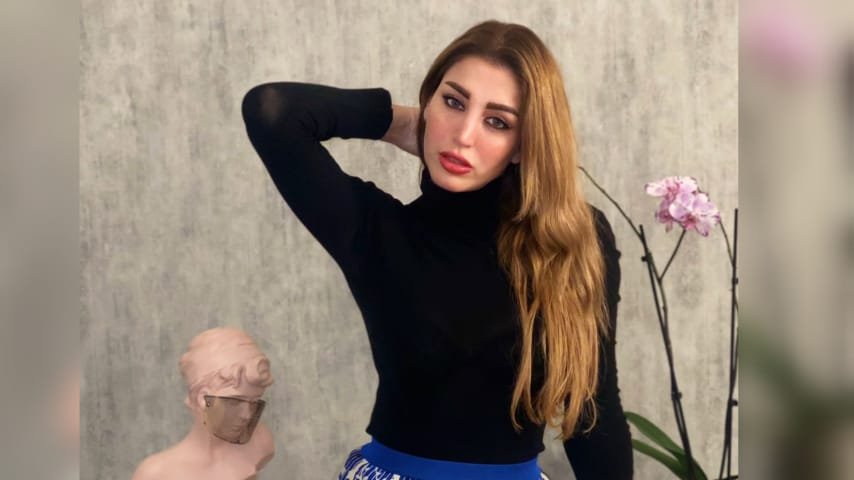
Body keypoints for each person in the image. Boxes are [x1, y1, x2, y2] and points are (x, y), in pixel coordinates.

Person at [242, 20, 632, 480]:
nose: (463, 135)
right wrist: (406, 124)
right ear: (428, 101)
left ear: (524, 145)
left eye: (497, 122)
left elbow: (593, 408)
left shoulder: (575, 238)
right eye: (453, 102)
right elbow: (273, 110)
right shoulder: (375, 230)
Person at [131, 327, 275, 480]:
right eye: (235, 402)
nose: (247, 415)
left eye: (254, 401)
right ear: (203, 398)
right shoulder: (157, 474)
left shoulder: (260, 440)